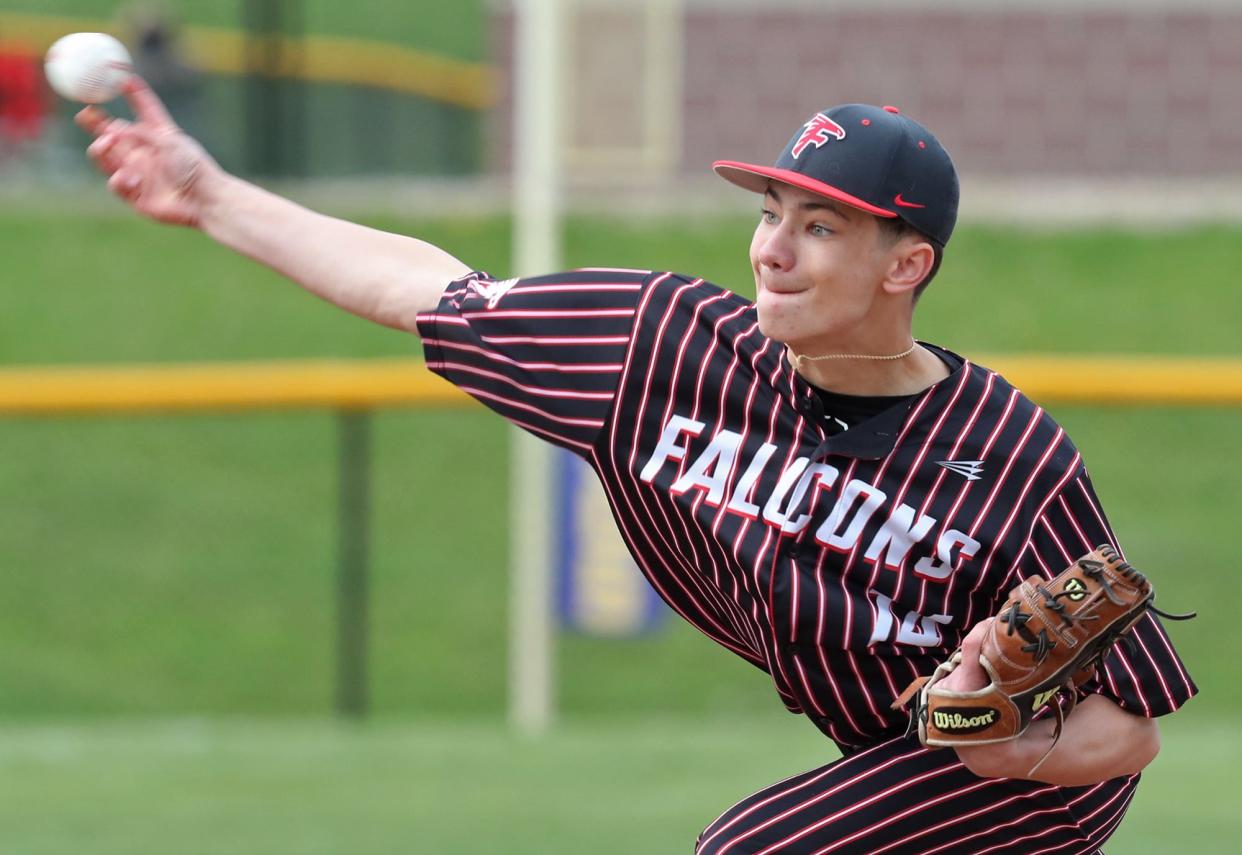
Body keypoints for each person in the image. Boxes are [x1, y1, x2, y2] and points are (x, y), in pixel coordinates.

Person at [78, 80, 1195, 854]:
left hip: (1039, 799)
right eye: (772, 212)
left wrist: (1008, 746)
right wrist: (213, 195)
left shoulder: (1011, 456)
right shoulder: (660, 349)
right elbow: (427, 288)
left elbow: (1131, 729)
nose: (771, 246)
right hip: (893, 753)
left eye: (821, 226)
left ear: (907, 263)